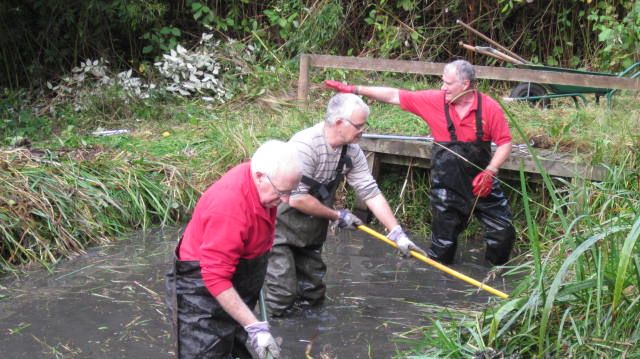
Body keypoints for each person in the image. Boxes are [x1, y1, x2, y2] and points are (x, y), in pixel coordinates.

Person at [325, 59, 516, 266]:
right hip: (447, 189)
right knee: (443, 245)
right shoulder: (435, 101)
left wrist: (491, 170)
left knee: (503, 232)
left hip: (483, 185)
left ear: (465, 84)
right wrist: (355, 89)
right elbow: (394, 95)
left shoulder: (489, 108)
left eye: (448, 83)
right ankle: (442, 283)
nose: (443, 87)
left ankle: (495, 276)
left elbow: (505, 142)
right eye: (442, 82)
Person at [265, 93, 425, 317]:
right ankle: (272, 336)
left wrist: (397, 233)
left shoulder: (351, 151)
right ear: (339, 123)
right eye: (359, 125)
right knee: (282, 294)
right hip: (278, 231)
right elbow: (296, 198)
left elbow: (370, 191)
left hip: (311, 234)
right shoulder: (304, 147)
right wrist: (337, 216)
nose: (363, 130)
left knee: (313, 294)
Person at [165, 140, 302, 359]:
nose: (286, 200)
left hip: (237, 283)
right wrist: (255, 326)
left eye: (290, 191)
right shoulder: (229, 207)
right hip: (200, 294)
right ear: (259, 176)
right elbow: (215, 278)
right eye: (282, 192)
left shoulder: (265, 187)